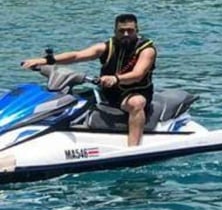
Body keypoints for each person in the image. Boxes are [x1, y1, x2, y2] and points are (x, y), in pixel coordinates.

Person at [21, 13, 156, 147]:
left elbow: (138, 74)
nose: (126, 34)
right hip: (109, 91)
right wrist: (45, 60)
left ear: (137, 31)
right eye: (121, 31)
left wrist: (115, 79)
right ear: (115, 31)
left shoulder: (146, 50)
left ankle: (133, 147)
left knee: (137, 103)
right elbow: (77, 56)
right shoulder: (107, 47)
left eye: (130, 31)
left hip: (135, 91)